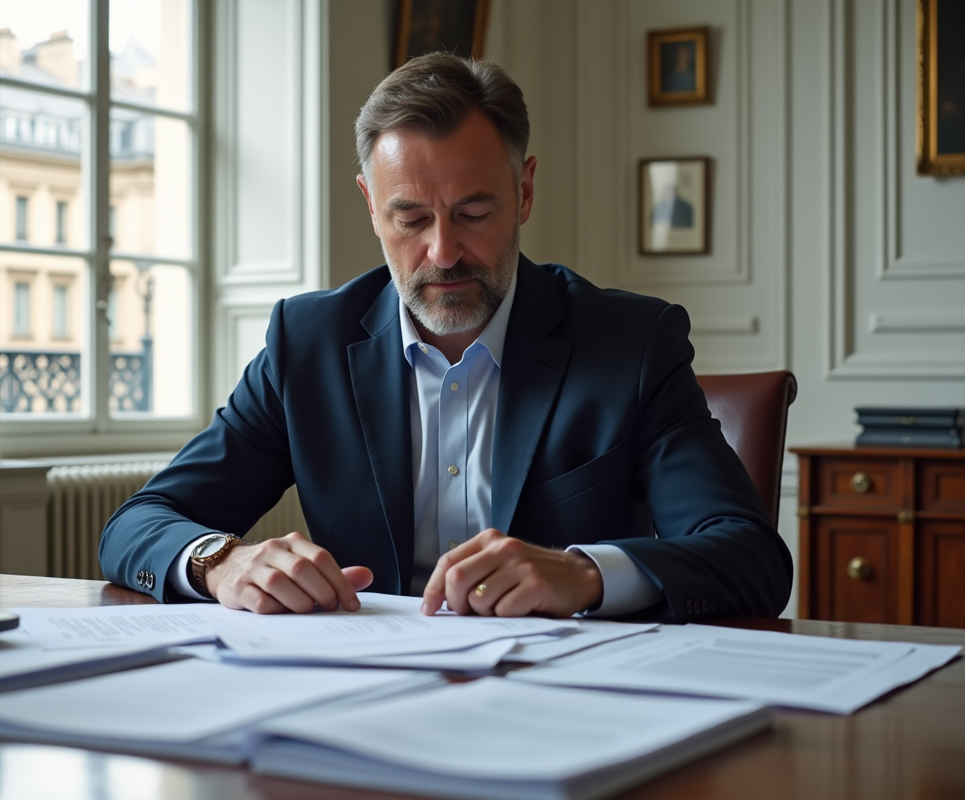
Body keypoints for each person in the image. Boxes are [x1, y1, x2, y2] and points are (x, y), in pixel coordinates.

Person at [99, 52, 792, 622]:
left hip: (562, 706)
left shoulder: (632, 344)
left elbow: (750, 557)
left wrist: (585, 574)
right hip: (360, 702)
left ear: (524, 193)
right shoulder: (305, 343)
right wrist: (222, 562)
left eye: (473, 212)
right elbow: (141, 522)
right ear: (371, 206)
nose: (443, 252)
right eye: (410, 218)